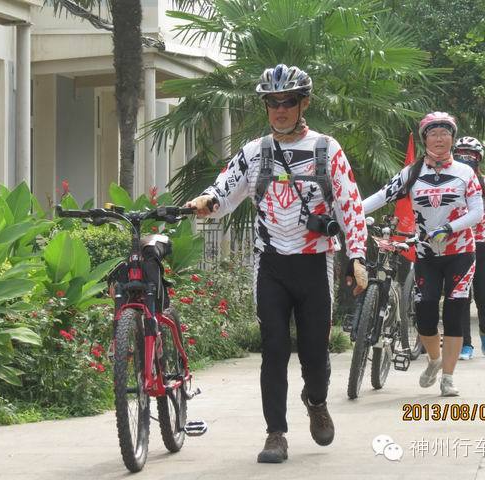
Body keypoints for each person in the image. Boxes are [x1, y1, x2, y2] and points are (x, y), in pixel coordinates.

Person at [185, 64, 368, 463]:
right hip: (270, 265)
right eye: (273, 103)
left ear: (304, 104)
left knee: (315, 353)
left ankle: (316, 401)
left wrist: (357, 255)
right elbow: (224, 190)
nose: (280, 110)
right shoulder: (254, 152)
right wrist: (206, 201)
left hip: (314, 263)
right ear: (266, 106)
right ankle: (275, 434)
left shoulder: (327, 149)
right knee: (274, 349)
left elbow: (350, 205)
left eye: (288, 102)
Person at [362, 112, 483, 397]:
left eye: (445, 133)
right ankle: (434, 360)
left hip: (460, 252)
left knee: (454, 313)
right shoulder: (412, 173)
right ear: (424, 139)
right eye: (433, 134)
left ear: (452, 138)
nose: (439, 139)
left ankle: (448, 378)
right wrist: (350, 211)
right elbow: (381, 196)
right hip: (426, 253)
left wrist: (449, 227)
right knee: (425, 312)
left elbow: (478, 212)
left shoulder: (466, 173)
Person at [453, 137, 485, 360]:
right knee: (461, 296)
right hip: (459, 245)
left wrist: (473, 218)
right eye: (460, 153)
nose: (465, 157)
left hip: (482, 244)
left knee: (484, 297)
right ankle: (465, 345)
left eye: (470, 154)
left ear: (478, 158)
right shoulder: (451, 182)